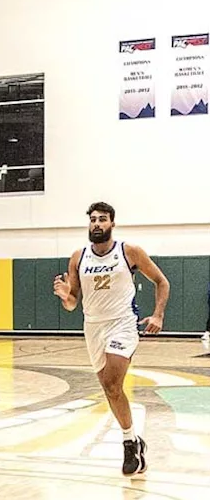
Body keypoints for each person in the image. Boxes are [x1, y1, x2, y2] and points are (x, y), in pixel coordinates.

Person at [53, 202, 169, 476]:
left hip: (123, 324)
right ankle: (135, 440)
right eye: (92, 219)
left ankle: (129, 443)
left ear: (112, 224)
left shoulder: (129, 252)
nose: (96, 224)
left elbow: (162, 281)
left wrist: (158, 315)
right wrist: (64, 295)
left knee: (113, 382)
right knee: (109, 389)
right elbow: (72, 303)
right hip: (92, 327)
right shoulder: (78, 257)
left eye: (102, 219)